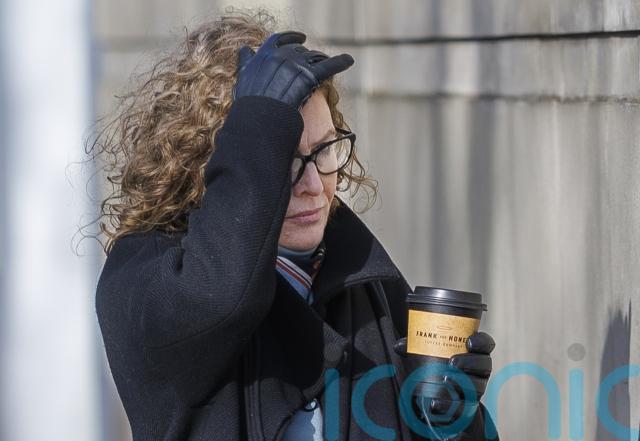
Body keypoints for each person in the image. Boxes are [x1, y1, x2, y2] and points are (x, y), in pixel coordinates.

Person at [93, 10, 499, 441]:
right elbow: (221, 296)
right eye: (284, 161)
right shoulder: (143, 281)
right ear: (208, 168)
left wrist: (454, 424)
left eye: (323, 151)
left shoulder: (365, 276)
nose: (314, 186)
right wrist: (260, 119)